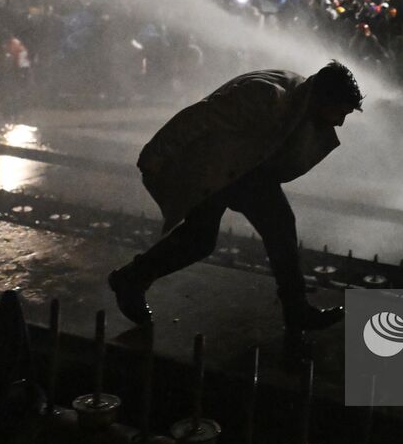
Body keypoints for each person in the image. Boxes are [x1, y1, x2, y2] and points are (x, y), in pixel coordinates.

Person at [108, 61, 364, 344]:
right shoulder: (268, 96)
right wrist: (155, 154)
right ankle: (131, 280)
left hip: (241, 169)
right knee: (221, 236)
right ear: (324, 97)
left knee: (245, 231)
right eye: (340, 112)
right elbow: (201, 116)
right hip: (211, 166)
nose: (340, 121)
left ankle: (296, 309)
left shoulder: (299, 98)